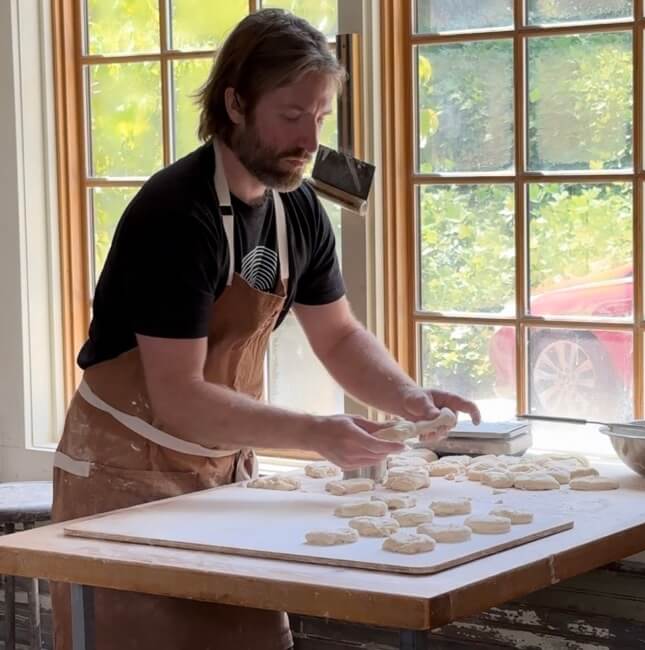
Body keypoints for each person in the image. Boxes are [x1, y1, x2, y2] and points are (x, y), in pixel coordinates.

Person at [51, 8, 480, 650]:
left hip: (221, 472)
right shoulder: (175, 215)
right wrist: (316, 434)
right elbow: (179, 395)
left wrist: (409, 400)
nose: (309, 139)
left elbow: (337, 335)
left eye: (319, 117)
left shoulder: (297, 206)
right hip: (125, 476)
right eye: (290, 115)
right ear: (235, 103)